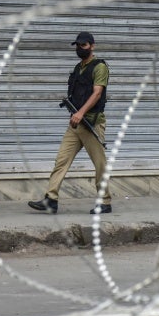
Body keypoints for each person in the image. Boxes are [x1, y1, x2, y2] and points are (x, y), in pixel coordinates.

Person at [28, 31, 112, 214]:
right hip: (75, 125)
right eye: (78, 45)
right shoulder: (78, 68)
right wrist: (74, 113)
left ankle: (105, 202)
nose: (80, 48)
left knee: (100, 164)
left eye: (84, 45)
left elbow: (97, 93)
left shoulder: (100, 67)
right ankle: (51, 199)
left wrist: (81, 113)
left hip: (92, 124)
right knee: (61, 161)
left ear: (92, 46)